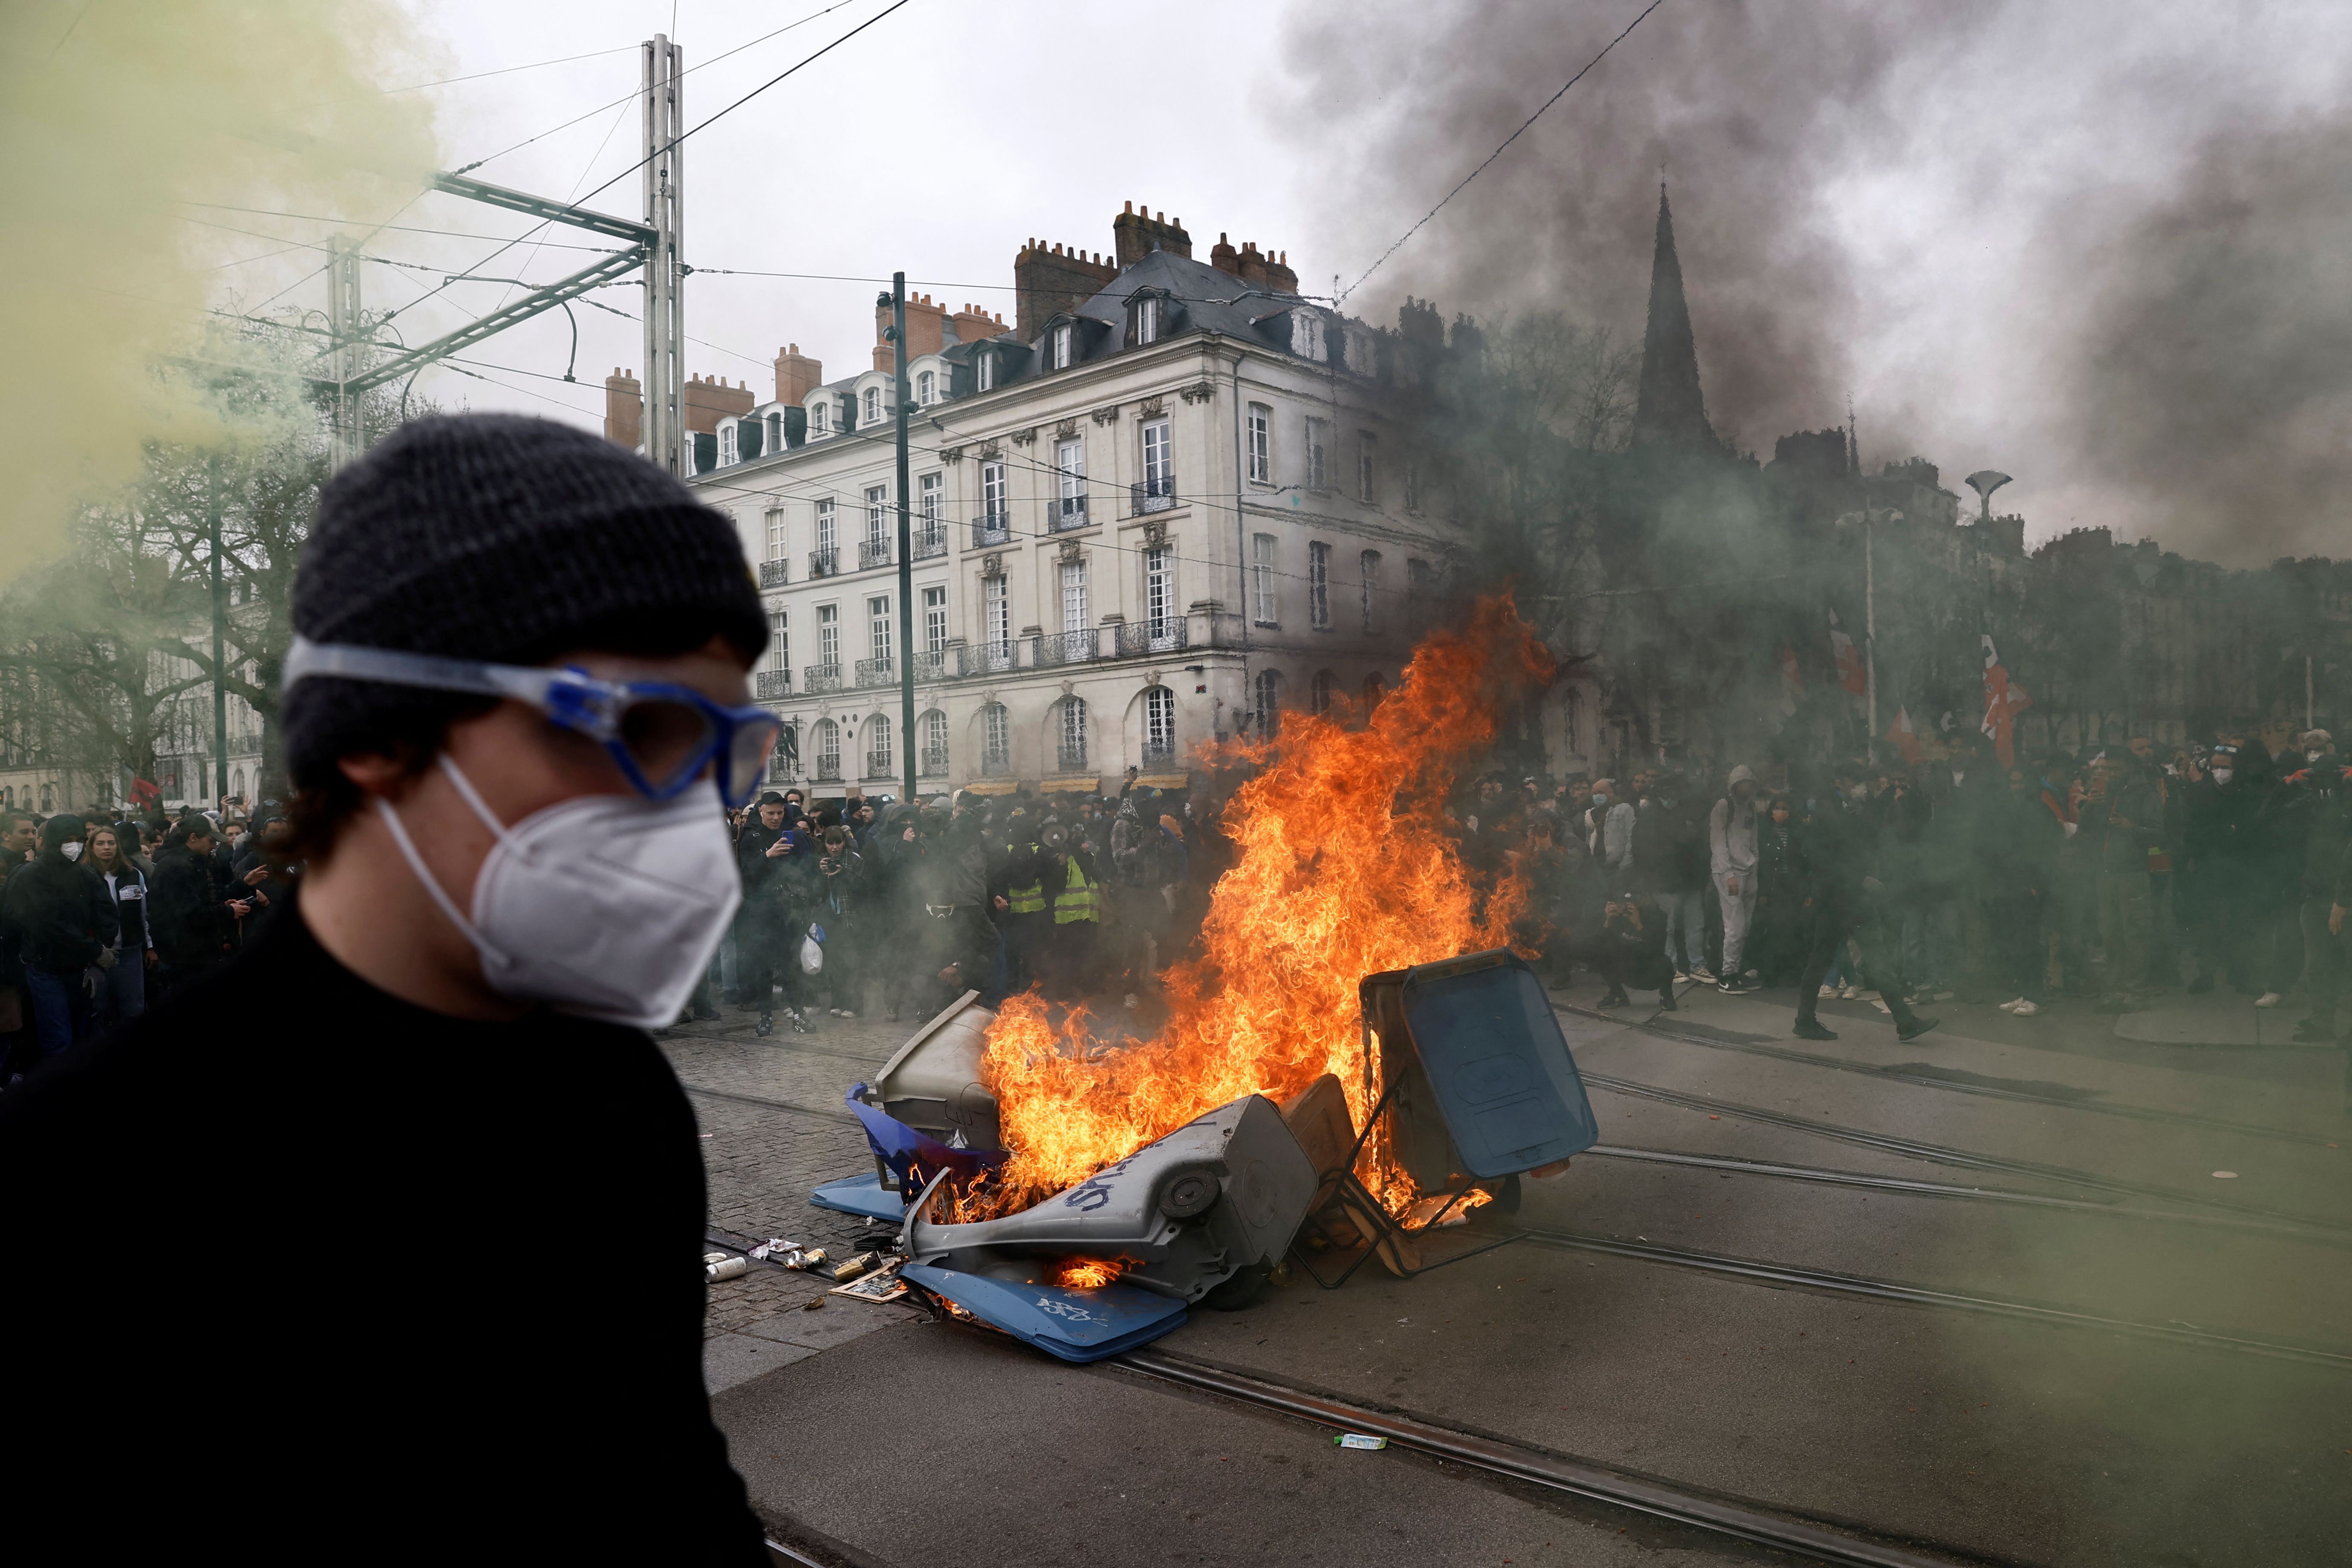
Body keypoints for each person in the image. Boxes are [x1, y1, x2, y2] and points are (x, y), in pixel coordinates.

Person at [0, 415, 771, 1560]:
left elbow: (669, 1482)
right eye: (636, 728)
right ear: (382, 726)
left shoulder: (623, 1100)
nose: (693, 810)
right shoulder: (81, 1175)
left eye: (725, 755)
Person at [1790, 767, 1938, 1043]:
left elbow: (1865, 839)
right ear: (1842, 782)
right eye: (1859, 782)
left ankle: (1806, 1020)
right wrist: (1862, 879)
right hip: (1842, 899)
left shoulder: (1846, 809)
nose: (1864, 788)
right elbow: (1829, 860)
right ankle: (1903, 1021)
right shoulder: (1828, 812)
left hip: (1844, 899)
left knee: (1829, 959)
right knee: (1862, 959)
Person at [1, 816, 118, 1057]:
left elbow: (107, 915)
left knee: (80, 1034)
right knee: (58, 1039)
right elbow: (48, 924)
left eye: (79, 840)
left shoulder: (85, 874)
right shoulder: (32, 875)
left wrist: (99, 955)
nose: (73, 846)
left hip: (81, 969)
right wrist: (95, 952)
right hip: (46, 968)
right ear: (54, 842)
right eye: (67, 840)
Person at [148, 818, 249, 997]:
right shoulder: (176, 867)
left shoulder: (192, 862)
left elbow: (198, 901)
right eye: (211, 841)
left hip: (194, 952)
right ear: (193, 837)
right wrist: (228, 912)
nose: (214, 846)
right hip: (185, 955)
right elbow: (189, 913)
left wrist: (222, 905)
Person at [84, 825, 155, 1029]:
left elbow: (144, 914)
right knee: (95, 1011)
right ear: (92, 847)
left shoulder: (134, 875)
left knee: (134, 1009)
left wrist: (150, 945)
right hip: (97, 955)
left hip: (130, 954)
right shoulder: (83, 876)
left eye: (111, 843)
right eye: (101, 843)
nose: (107, 848)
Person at [1708, 764, 1763, 992]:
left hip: (1748, 871)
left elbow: (1754, 840)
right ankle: (1728, 974)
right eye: (1742, 784)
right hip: (1728, 873)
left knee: (1745, 925)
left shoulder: (1750, 808)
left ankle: (1737, 970)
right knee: (1735, 926)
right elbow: (1718, 842)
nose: (1745, 788)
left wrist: (1754, 868)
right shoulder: (1724, 807)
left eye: (1748, 784)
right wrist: (1728, 873)